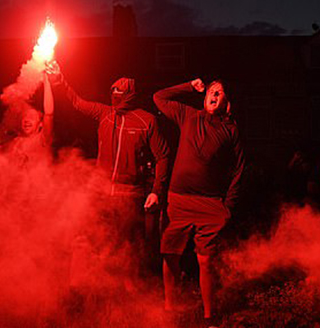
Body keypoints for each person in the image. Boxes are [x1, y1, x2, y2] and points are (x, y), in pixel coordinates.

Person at [45, 61, 170, 281]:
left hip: (130, 195)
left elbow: (163, 156)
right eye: (112, 93)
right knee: (93, 240)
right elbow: (76, 101)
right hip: (100, 193)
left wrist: (156, 191)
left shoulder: (147, 120)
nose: (115, 98)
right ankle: (87, 289)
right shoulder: (104, 113)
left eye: (120, 94)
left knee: (129, 247)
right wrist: (59, 78)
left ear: (130, 95)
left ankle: (130, 292)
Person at [153, 78, 245, 326]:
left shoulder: (230, 130)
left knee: (205, 260)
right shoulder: (188, 115)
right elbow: (159, 97)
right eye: (211, 92)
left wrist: (228, 207)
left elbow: (238, 170)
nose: (215, 95)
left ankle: (208, 316)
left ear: (226, 101)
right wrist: (187, 87)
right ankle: (169, 307)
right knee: (170, 254)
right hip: (179, 200)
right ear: (204, 99)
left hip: (210, 204)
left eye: (220, 92)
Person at [5, 73, 54, 166]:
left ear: (40, 124)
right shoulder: (16, 141)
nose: (27, 120)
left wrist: (46, 80)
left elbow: (49, 113)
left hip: (39, 180)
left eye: (31, 117)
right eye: (25, 117)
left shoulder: (42, 139)